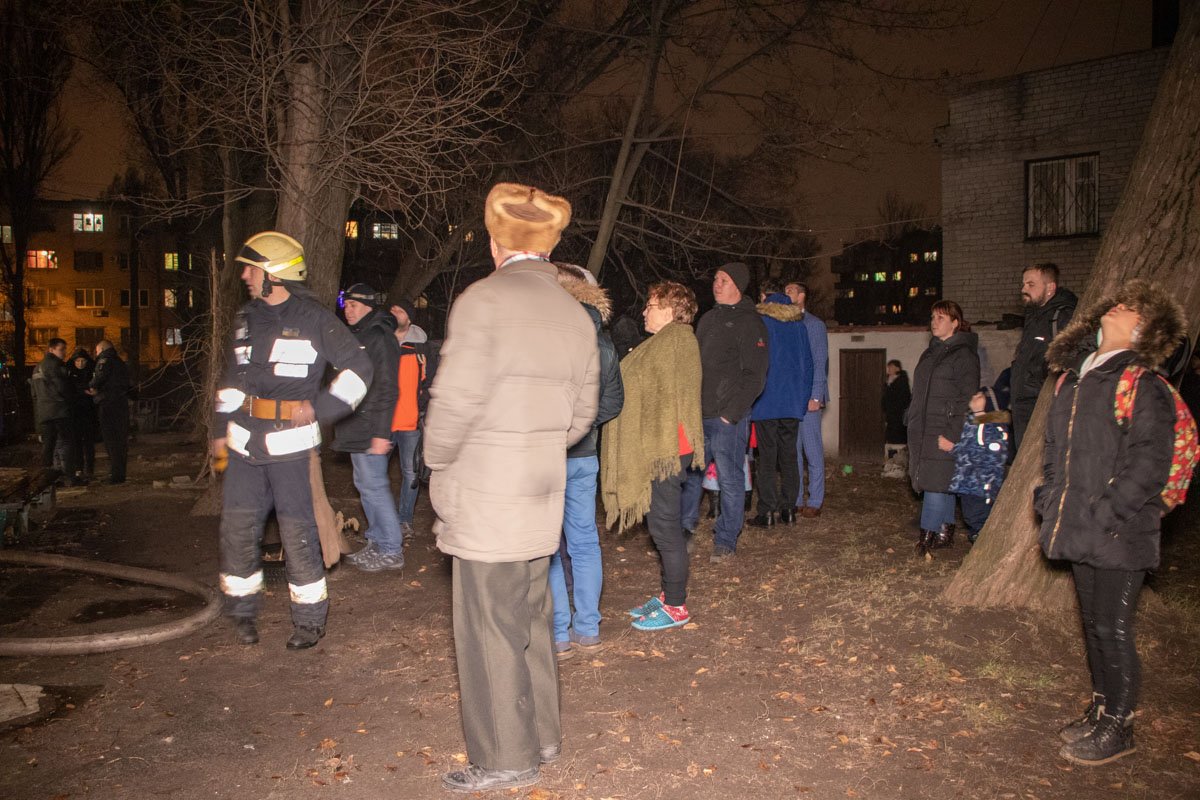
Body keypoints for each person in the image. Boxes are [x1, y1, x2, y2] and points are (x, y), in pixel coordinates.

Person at [425, 183, 599, 794]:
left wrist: (436, 461)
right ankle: (543, 736)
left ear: (498, 241)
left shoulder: (483, 300)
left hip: (485, 489)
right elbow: (582, 416)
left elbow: (454, 399)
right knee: (531, 614)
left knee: (487, 625)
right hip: (542, 485)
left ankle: (503, 757)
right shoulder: (574, 311)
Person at [1037, 279, 1185, 766]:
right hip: (1079, 522)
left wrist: (1106, 514)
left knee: (1114, 628)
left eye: (1129, 308)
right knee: (1093, 623)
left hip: (1122, 530)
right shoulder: (1076, 379)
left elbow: (1149, 462)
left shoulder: (1143, 382)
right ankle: (1101, 709)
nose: (1116, 308)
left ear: (1142, 328)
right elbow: (1056, 450)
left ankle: (1120, 726)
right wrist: (1049, 498)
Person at [211, 231, 373, 650]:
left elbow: (359, 369)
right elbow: (231, 382)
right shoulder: (247, 318)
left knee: (297, 534)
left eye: (252, 268)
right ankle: (243, 612)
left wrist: (320, 408)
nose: (245, 275)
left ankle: (309, 621)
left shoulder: (316, 319)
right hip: (245, 445)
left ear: (275, 274)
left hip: (291, 449)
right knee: (238, 530)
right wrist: (217, 432)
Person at [601, 281, 703, 631]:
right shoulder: (665, 342)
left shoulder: (677, 340)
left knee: (665, 527)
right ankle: (667, 593)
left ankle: (676, 605)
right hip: (665, 448)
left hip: (668, 450)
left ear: (672, 309)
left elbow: (663, 395)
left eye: (651, 304)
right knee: (661, 525)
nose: (644, 310)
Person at [549, 263, 624, 658]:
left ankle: (559, 633)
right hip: (584, 456)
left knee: (547, 545)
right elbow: (613, 401)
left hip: (546, 453)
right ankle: (588, 627)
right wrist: (584, 426)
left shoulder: (549, 334)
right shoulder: (605, 342)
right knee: (584, 541)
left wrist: (560, 428)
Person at [680, 263, 768, 562]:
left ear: (738, 286)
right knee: (691, 474)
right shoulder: (707, 319)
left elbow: (755, 375)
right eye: (715, 278)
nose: (716, 284)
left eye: (724, 280)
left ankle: (726, 538)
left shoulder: (750, 323)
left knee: (730, 479)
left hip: (727, 418)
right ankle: (684, 529)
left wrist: (731, 413)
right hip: (699, 414)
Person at [334, 283, 404, 572]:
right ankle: (376, 542)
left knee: (374, 487)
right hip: (355, 425)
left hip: (371, 426)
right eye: (345, 305)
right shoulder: (356, 335)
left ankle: (392, 549)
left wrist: (380, 432)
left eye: (352, 305)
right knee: (365, 486)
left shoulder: (380, 337)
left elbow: (387, 388)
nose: (347, 310)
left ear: (367, 306)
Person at [906, 300, 980, 556]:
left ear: (955, 323)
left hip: (945, 428)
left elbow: (967, 398)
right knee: (942, 481)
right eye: (933, 317)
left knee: (934, 484)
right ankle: (944, 532)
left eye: (941, 318)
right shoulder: (931, 353)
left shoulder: (964, 355)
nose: (934, 322)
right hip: (925, 428)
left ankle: (926, 536)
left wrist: (953, 433)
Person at [748, 282, 812, 527]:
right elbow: (808, 365)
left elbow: (758, 363)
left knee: (766, 458)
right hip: (792, 402)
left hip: (766, 401)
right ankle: (789, 509)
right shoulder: (799, 326)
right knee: (789, 456)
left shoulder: (762, 323)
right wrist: (803, 400)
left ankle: (766, 512)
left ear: (765, 297)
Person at [1009, 263, 1077, 452]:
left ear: (1050, 288)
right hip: (1023, 405)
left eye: (1031, 284)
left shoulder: (1062, 316)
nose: (1023, 289)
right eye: (1023, 284)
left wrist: (1036, 380)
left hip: (1041, 405)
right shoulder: (1033, 316)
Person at [388, 298, 437, 544]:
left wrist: (422, 407)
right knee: (375, 475)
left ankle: (404, 520)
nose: (394, 312)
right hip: (383, 422)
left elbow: (431, 382)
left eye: (399, 309)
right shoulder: (381, 342)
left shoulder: (422, 346)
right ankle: (384, 524)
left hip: (410, 421)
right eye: (392, 309)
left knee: (411, 473)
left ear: (409, 316)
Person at [784, 281, 828, 517]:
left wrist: (816, 395)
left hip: (809, 398)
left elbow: (820, 362)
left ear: (802, 295)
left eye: (791, 290)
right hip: (792, 398)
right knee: (793, 451)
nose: (786, 293)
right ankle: (797, 498)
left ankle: (816, 500)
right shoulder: (786, 324)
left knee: (812, 450)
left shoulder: (814, 325)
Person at [947, 385, 1010, 542]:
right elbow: (967, 447)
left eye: (980, 397)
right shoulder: (975, 423)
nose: (974, 399)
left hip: (980, 487)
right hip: (969, 484)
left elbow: (987, 456)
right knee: (971, 517)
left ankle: (981, 539)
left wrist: (953, 448)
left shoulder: (990, 427)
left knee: (978, 518)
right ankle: (978, 537)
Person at [31, 338, 82, 485]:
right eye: (62, 349)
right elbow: (64, 389)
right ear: (51, 349)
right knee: (66, 443)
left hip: (43, 413)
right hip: (60, 411)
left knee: (48, 446)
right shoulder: (56, 366)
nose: (64, 353)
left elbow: (34, 395)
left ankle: (48, 480)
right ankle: (69, 478)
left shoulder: (37, 367)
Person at [88, 340, 131, 484]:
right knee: (120, 441)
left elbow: (99, 377)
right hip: (121, 404)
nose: (96, 353)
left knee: (111, 441)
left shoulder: (105, 360)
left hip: (109, 404)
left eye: (97, 350)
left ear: (101, 348)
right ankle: (120, 474)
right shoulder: (120, 362)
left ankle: (116, 476)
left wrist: (91, 387)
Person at [67, 348, 97, 482]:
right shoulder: (69, 372)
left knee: (89, 442)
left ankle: (89, 469)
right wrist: (84, 391)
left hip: (89, 412)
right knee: (76, 442)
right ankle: (78, 468)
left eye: (83, 360)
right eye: (77, 361)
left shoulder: (92, 371)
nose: (80, 363)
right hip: (75, 412)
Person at [882, 359, 911, 478]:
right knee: (891, 440)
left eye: (891, 367)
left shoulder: (901, 382)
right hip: (891, 416)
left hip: (898, 417)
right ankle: (891, 464)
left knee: (898, 440)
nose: (889, 369)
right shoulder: (889, 382)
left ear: (897, 369)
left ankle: (899, 465)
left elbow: (901, 400)